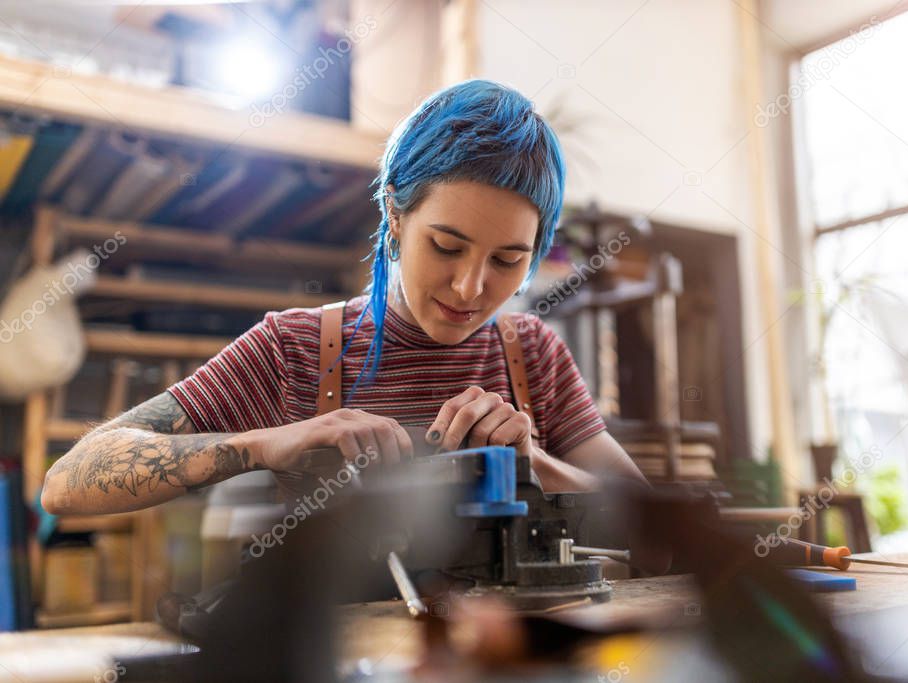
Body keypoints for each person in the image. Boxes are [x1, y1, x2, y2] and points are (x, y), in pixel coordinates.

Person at [41, 79, 648, 516]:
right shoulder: (296, 351)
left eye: (508, 261)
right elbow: (68, 482)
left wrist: (532, 463)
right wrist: (263, 444)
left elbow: (649, 522)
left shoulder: (531, 355)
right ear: (395, 215)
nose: (470, 287)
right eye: (446, 246)